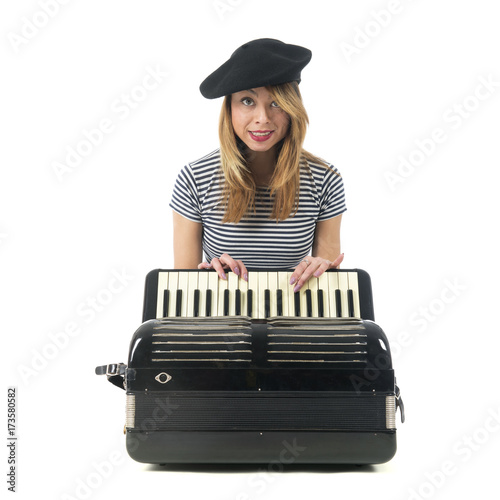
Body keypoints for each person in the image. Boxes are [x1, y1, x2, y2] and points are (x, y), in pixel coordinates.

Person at [170, 38, 346, 294]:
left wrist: (322, 269)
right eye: (247, 101)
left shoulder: (325, 179)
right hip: (221, 319)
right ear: (229, 108)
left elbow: (327, 289)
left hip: (292, 320)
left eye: (276, 103)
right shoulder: (194, 178)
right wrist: (209, 276)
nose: (262, 119)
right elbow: (182, 292)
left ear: (292, 109)